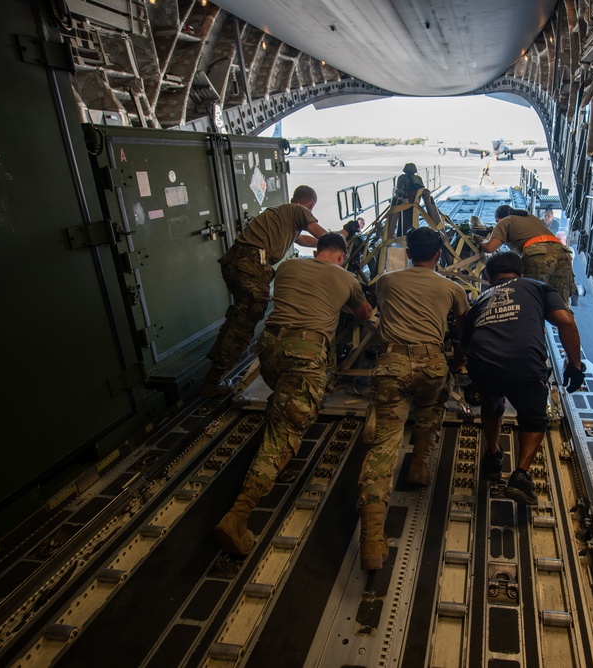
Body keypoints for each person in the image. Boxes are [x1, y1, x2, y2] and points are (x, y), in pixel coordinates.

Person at [214, 233, 373, 555]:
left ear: (317, 250)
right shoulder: (346, 277)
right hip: (305, 352)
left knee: (286, 404)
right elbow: (364, 314)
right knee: (284, 431)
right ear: (341, 257)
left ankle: (278, 443)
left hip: (270, 351)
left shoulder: (287, 267)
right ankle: (238, 515)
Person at [355, 227, 470, 570]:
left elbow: (371, 308)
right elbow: (464, 330)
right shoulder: (453, 288)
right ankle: (419, 465)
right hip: (432, 363)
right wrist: (459, 364)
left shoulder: (386, 282)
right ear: (438, 255)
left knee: (383, 445)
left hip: (390, 365)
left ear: (407, 253)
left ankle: (372, 541)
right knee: (431, 408)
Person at [462, 252, 585, 506]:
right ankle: (520, 475)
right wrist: (575, 366)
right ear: (521, 273)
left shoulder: (480, 299)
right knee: (533, 418)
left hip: (482, 364)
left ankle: (494, 456)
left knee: (492, 402)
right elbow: (565, 321)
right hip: (525, 364)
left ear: (488, 277)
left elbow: (462, 343)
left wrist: (461, 371)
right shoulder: (537, 286)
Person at [201, 185, 330, 397]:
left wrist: (338, 237)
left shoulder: (282, 217)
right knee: (244, 325)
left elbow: (306, 240)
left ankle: (217, 361)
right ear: (311, 205)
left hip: (236, 262)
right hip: (251, 264)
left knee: (238, 316)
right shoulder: (299, 210)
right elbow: (321, 235)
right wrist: (338, 241)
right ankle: (211, 382)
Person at [473, 204, 575, 304]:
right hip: (563, 253)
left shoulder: (504, 222)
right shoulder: (531, 218)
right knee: (562, 303)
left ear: (499, 219)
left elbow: (489, 248)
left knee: (530, 299)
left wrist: (479, 241)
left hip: (540, 256)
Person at [394, 163, 425, 236]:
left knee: (404, 218)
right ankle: (413, 233)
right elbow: (422, 189)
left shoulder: (402, 178)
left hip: (406, 200)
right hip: (415, 201)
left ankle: (404, 234)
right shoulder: (418, 178)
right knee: (413, 217)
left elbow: (400, 188)